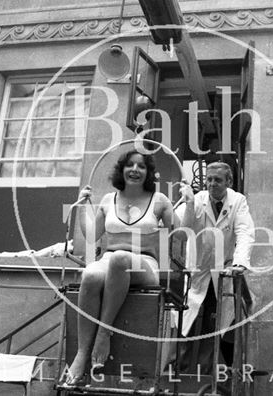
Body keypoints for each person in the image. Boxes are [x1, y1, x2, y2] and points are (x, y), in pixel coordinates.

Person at [64, 150, 178, 386]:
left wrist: (188, 199)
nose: (135, 170)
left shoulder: (159, 200)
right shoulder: (108, 200)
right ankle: (83, 353)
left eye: (141, 167)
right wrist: (85, 204)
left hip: (144, 264)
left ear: (148, 173)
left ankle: (103, 334)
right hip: (110, 261)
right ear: (122, 169)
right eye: (130, 165)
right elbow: (93, 235)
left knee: (119, 259)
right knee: (91, 273)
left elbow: (180, 235)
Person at [178, 161, 255, 368]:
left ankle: (208, 375)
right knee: (186, 326)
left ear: (229, 181)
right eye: (209, 180)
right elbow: (181, 230)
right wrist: (189, 203)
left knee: (216, 325)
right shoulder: (197, 200)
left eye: (218, 180)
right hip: (197, 271)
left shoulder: (238, 201)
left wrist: (239, 263)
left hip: (223, 270)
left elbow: (245, 233)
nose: (212, 184)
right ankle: (181, 374)